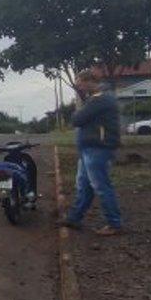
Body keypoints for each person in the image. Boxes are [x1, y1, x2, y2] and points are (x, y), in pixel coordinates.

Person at [61, 70, 122, 236]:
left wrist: (77, 112)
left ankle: (114, 223)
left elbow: (77, 119)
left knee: (101, 186)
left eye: (79, 82)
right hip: (91, 148)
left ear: (89, 81)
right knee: (85, 186)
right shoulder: (97, 98)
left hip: (98, 148)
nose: (78, 86)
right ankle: (75, 217)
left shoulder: (100, 99)